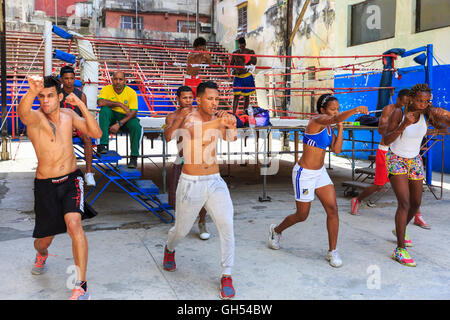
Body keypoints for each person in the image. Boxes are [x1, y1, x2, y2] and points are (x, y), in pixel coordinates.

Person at [18, 75, 102, 300]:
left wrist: (82, 105)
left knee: (74, 224)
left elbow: (96, 133)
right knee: (44, 240)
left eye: (50, 96)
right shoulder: (35, 118)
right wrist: (31, 91)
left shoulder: (69, 115)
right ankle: (42, 254)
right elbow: (22, 113)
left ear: (60, 97)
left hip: (72, 180)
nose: (45, 101)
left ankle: (81, 285)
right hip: (45, 185)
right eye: (42, 96)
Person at [268, 94, 369, 267]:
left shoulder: (330, 126)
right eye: (332, 109)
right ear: (323, 110)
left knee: (332, 210)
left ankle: (332, 251)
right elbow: (336, 117)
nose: (335, 112)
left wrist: (340, 126)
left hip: (320, 173)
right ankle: (276, 230)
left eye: (337, 108)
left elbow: (336, 149)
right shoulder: (316, 121)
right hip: (304, 174)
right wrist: (353, 111)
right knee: (302, 215)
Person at [162, 81, 238, 299]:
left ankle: (227, 274)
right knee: (181, 230)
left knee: (227, 225)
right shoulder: (188, 118)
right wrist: (220, 122)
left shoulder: (217, 119)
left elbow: (231, 139)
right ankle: (169, 248)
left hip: (214, 180)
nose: (214, 103)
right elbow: (194, 133)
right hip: (191, 181)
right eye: (210, 99)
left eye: (217, 99)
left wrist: (231, 126)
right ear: (199, 99)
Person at [383, 83, 449, 267]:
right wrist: (404, 124)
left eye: (426, 101)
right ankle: (399, 249)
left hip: (415, 160)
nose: (423, 104)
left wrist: (440, 124)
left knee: (416, 203)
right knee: (404, 203)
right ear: (411, 98)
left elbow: (440, 123)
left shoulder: (427, 112)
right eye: (419, 100)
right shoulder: (399, 112)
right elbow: (386, 139)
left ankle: (400, 229)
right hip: (397, 159)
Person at [351, 89, 430, 229]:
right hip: (387, 151)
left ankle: (417, 215)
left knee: (414, 191)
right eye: (407, 102)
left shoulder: (420, 112)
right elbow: (382, 130)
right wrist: (399, 125)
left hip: (409, 155)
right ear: (401, 100)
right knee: (379, 184)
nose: (410, 105)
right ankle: (357, 199)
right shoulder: (391, 110)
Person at [164, 85, 210, 240]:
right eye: (185, 97)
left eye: (190, 97)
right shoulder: (172, 116)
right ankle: (180, 224)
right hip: (182, 159)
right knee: (179, 194)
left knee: (204, 194)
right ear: (178, 99)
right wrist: (181, 118)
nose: (188, 101)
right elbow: (168, 136)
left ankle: (202, 222)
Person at [97, 71, 143, 169]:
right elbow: (100, 103)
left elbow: (133, 113)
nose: (118, 81)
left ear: (125, 81)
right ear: (112, 80)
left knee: (135, 125)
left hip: (124, 118)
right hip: (111, 116)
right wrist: (120, 104)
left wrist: (119, 124)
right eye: (116, 79)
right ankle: (103, 145)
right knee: (104, 110)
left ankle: (134, 157)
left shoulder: (131, 92)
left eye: (120, 79)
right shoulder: (106, 89)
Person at [59, 66, 96, 187]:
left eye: (71, 78)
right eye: (66, 78)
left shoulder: (81, 95)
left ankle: (89, 173)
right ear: (61, 79)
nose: (69, 81)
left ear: (75, 79)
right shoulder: (57, 95)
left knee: (87, 138)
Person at [230, 37, 257, 114]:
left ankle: (245, 113)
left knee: (246, 96)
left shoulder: (250, 52)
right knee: (236, 96)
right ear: (238, 45)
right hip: (238, 77)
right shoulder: (235, 53)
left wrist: (251, 56)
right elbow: (231, 65)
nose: (241, 46)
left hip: (247, 76)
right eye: (240, 44)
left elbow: (254, 63)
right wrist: (233, 70)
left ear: (244, 44)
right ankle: (234, 113)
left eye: (242, 44)